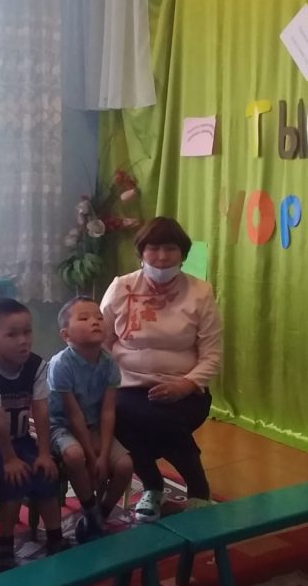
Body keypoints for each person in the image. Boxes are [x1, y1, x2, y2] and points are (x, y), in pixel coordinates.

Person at [100, 216, 222, 522]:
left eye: (170, 248)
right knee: (125, 415)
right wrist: (107, 380)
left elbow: (212, 354)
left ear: (183, 254)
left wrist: (186, 385)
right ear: (141, 252)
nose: (162, 256)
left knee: (156, 418)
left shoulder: (200, 292)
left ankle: (157, 488)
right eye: (154, 248)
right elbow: (100, 341)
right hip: (126, 386)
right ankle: (187, 489)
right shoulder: (121, 287)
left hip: (185, 389)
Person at [0, 298, 66, 571]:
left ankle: (55, 535)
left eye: (27, 332)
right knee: (14, 477)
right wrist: (9, 460)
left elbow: (41, 410)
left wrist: (44, 453)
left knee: (46, 471)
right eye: (12, 334)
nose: (23, 341)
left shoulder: (36, 366)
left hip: (19, 438)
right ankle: (4, 543)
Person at [47, 296, 134, 542]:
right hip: (62, 426)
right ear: (66, 335)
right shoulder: (61, 364)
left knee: (125, 465)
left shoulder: (109, 362)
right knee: (76, 456)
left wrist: (104, 455)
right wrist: (91, 455)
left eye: (98, 317)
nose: (95, 321)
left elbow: (108, 411)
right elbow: (73, 414)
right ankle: (89, 510)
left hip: (94, 425)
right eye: (84, 318)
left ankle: (100, 515)